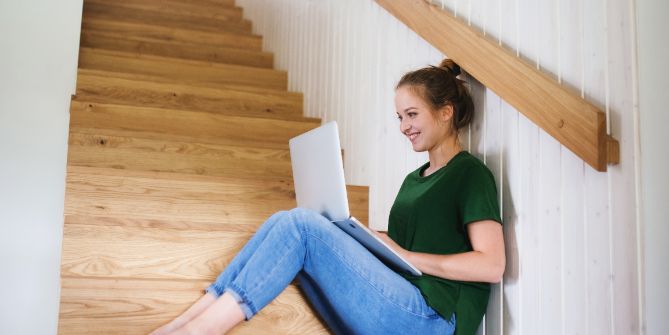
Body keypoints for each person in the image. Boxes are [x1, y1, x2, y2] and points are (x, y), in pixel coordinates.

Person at [151, 59, 505, 335]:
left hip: (431, 320)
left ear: (446, 112)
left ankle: (201, 329)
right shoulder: (414, 180)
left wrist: (406, 254)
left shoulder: (469, 174)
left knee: (303, 227)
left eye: (412, 114)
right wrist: (367, 241)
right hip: (398, 302)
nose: (403, 126)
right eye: (399, 117)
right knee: (284, 220)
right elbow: (401, 259)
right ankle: (189, 320)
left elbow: (491, 265)